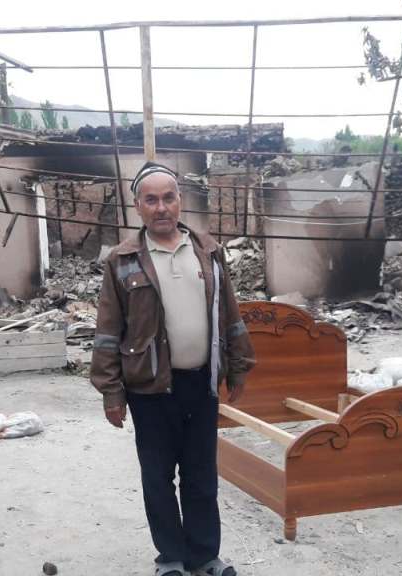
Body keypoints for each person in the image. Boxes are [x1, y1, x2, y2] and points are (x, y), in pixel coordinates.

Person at [91, 162, 256, 576]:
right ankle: (171, 558)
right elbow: (108, 330)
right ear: (138, 206)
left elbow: (230, 314)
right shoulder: (122, 260)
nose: (161, 207)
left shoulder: (209, 251)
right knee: (158, 477)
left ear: (180, 200)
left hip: (201, 384)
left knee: (202, 475)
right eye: (151, 200)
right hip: (149, 389)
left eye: (168, 197)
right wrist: (111, 392)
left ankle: (205, 556)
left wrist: (238, 367)